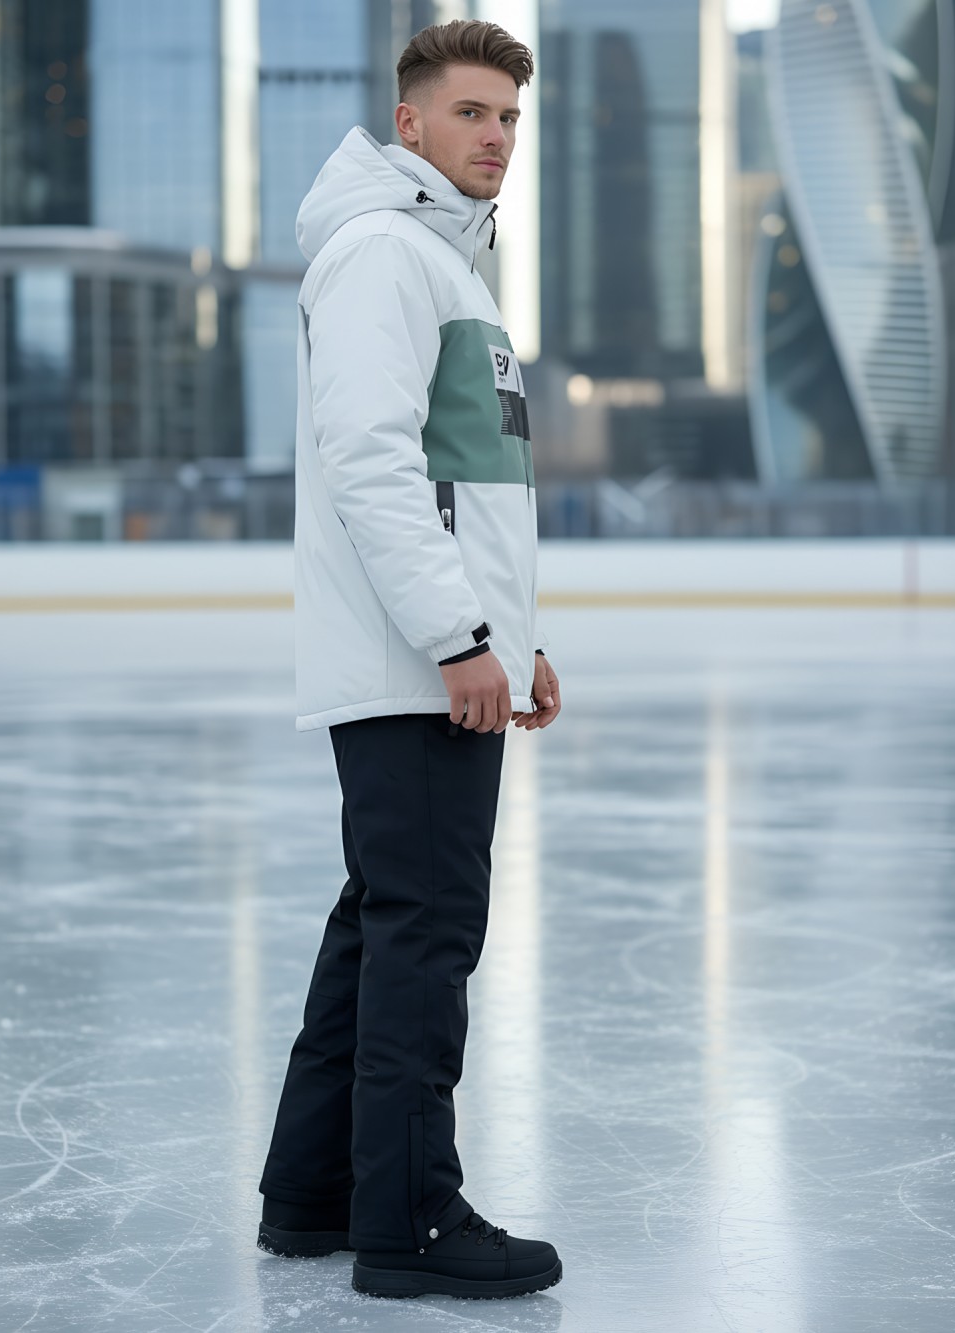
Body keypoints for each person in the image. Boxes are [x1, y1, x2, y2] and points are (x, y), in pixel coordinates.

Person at [256, 19, 562, 1301]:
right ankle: (409, 1221)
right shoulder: (386, 253)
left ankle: (315, 1193)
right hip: (411, 665)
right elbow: (372, 463)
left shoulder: (445, 264)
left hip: (435, 654)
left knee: (379, 926)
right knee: (425, 935)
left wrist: (512, 638)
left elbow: (464, 486)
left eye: (509, 116)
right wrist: (456, 639)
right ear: (411, 124)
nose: (496, 136)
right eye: (472, 112)